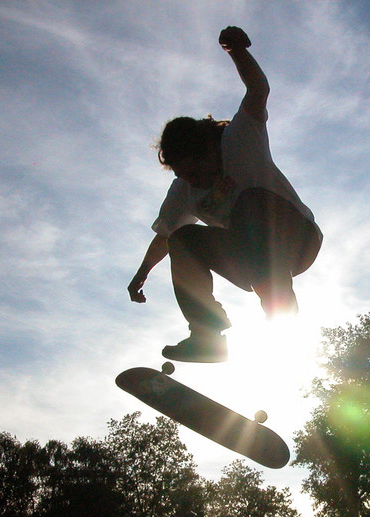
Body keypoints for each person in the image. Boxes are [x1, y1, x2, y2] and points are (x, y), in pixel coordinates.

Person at [127, 26, 322, 363]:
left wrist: (238, 52)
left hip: (297, 238)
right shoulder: (184, 190)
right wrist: (141, 274)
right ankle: (206, 335)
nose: (194, 181)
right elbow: (165, 236)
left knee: (248, 203)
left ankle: (280, 306)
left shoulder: (239, 138)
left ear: (208, 148)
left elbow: (258, 89)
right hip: (251, 262)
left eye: (196, 169)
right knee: (183, 239)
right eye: (184, 175)